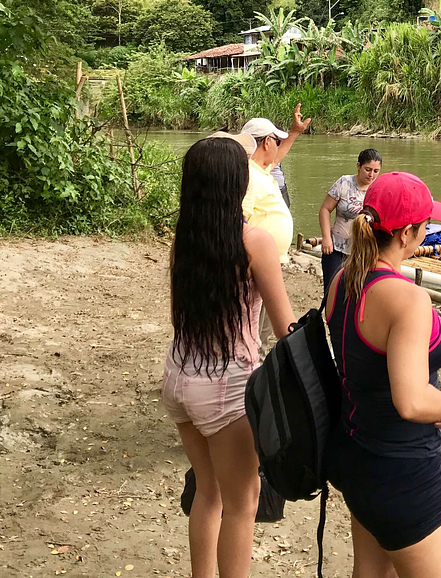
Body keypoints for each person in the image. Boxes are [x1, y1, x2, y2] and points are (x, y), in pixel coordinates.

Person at [161, 134, 297, 578]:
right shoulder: (253, 242)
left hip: (179, 378)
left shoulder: (184, 242)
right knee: (243, 504)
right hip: (225, 388)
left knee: (208, 492)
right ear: (236, 185)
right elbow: (284, 328)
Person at [324, 172, 441, 578]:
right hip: (402, 471)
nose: (427, 232)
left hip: (355, 455)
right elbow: (412, 400)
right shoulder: (408, 299)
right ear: (405, 234)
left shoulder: (342, 280)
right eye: (425, 226)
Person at [240, 116, 303, 346]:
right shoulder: (249, 174)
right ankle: (252, 362)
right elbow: (240, 220)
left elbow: (277, 157)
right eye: (276, 141)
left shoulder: (260, 169)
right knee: (256, 321)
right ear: (267, 142)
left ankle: (257, 355)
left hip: (268, 263)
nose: (277, 147)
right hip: (256, 266)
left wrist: (294, 132)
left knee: (264, 322)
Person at [318, 148, 383, 293]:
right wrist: (326, 237)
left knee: (356, 292)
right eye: (368, 169)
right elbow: (325, 210)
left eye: (376, 171)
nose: (371, 175)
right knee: (331, 290)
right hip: (336, 246)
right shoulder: (344, 183)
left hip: (362, 250)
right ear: (358, 166)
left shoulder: (379, 189)